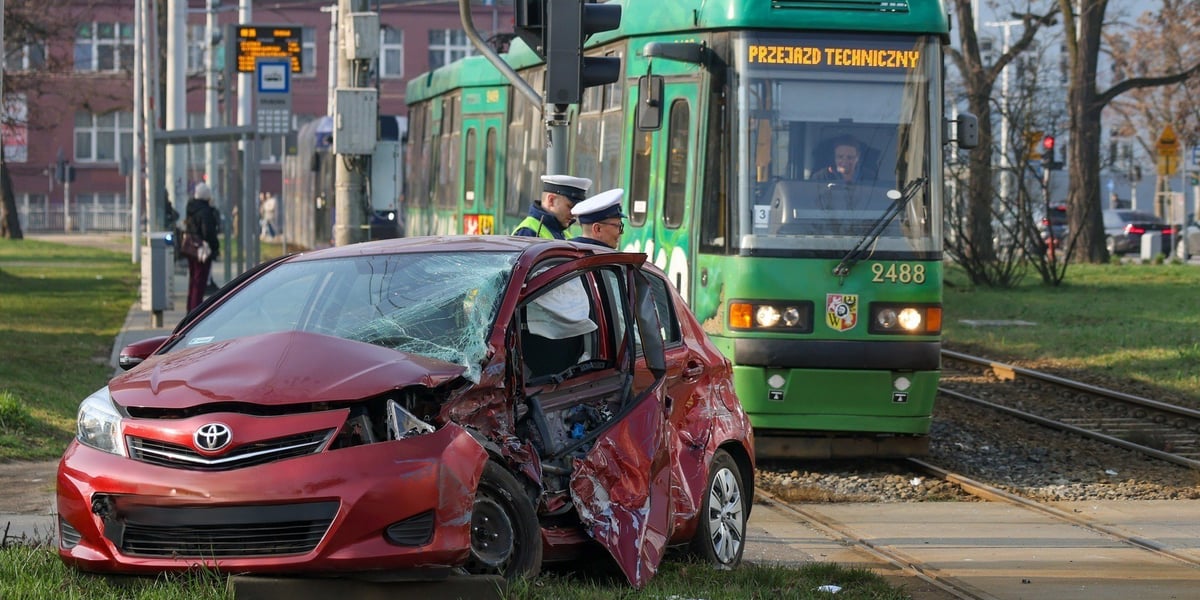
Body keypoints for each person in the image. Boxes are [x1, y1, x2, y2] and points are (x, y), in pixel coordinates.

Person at [511, 174, 592, 239]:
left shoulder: (562, 232)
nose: (573, 214)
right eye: (570, 207)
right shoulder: (528, 232)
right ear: (551, 200)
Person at [184, 183, 221, 311]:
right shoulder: (205, 211)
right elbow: (208, 232)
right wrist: (215, 247)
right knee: (200, 282)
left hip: (191, 248)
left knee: (193, 280)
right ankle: (195, 312)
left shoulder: (191, 208)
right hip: (203, 250)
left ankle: (190, 308)